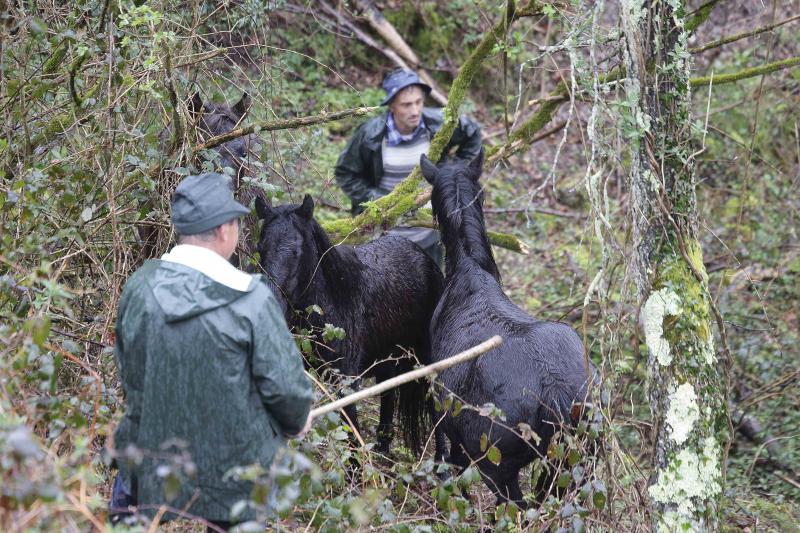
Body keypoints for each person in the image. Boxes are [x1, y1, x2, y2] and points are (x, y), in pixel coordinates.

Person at [108, 172, 314, 530]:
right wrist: (297, 420)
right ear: (223, 230)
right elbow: (287, 393)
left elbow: (129, 373)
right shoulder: (252, 298)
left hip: (147, 463)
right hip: (233, 480)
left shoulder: (139, 286)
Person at [335, 68, 482, 263]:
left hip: (429, 231)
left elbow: (472, 134)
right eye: (406, 104)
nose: (414, 111)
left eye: (418, 102)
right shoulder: (370, 135)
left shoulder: (440, 124)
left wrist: (451, 173)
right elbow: (346, 173)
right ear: (391, 106)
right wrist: (379, 200)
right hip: (382, 237)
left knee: (432, 288)